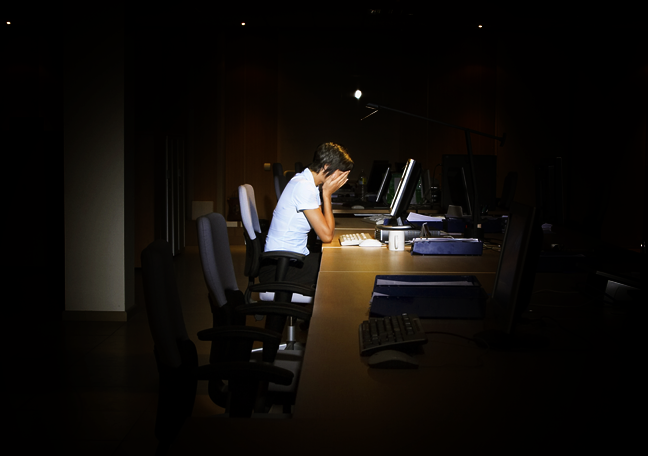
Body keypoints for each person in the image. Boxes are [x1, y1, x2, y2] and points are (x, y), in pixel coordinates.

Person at [259, 142, 354, 286]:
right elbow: (327, 236)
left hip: (290, 259)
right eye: (340, 175)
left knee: (338, 260)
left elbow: (325, 226)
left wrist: (325, 192)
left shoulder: (309, 184)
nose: (341, 181)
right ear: (327, 167)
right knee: (341, 269)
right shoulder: (303, 186)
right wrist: (327, 194)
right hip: (279, 267)